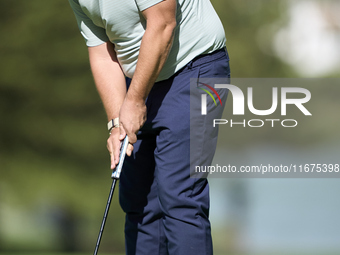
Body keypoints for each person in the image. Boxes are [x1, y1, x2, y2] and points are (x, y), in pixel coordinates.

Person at [68, 0, 230, 254]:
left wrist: (133, 101)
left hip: (193, 68)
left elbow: (163, 23)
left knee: (179, 197)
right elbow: (102, 53)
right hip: (138, 77)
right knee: (138, 200)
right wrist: (116, 123)